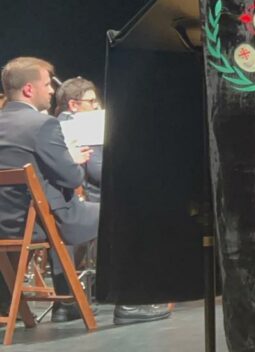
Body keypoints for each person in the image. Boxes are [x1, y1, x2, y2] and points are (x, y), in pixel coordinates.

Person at [0, 58, 169, 325]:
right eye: (47, 84)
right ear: (29, 89)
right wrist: (74, 159)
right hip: (43, 221)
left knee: (53, 210)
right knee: (121, 214)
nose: (52, 91)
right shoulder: (42, 125)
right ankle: (128, 303)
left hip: (7, 224)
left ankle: (63, 303)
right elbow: (71, 177)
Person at [54, 77, 103, 202]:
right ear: (73, 105)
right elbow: (99, 172)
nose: (96, 105)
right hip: (95, 202)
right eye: (91, 101)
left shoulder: (56, 123)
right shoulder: (83, 125)